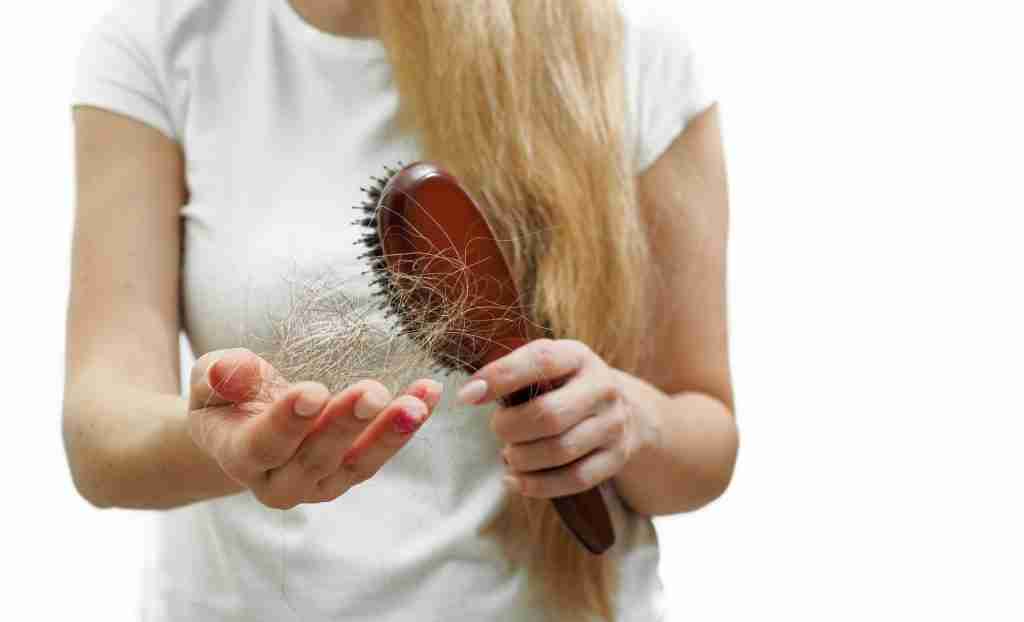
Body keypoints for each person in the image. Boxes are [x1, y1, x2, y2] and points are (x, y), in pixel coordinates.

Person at [63, 1, 738, 620]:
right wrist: (224, 445)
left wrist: (629, 422)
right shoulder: (162, 40)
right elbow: (100, 436)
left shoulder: (633, 53)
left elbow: (707, 442)